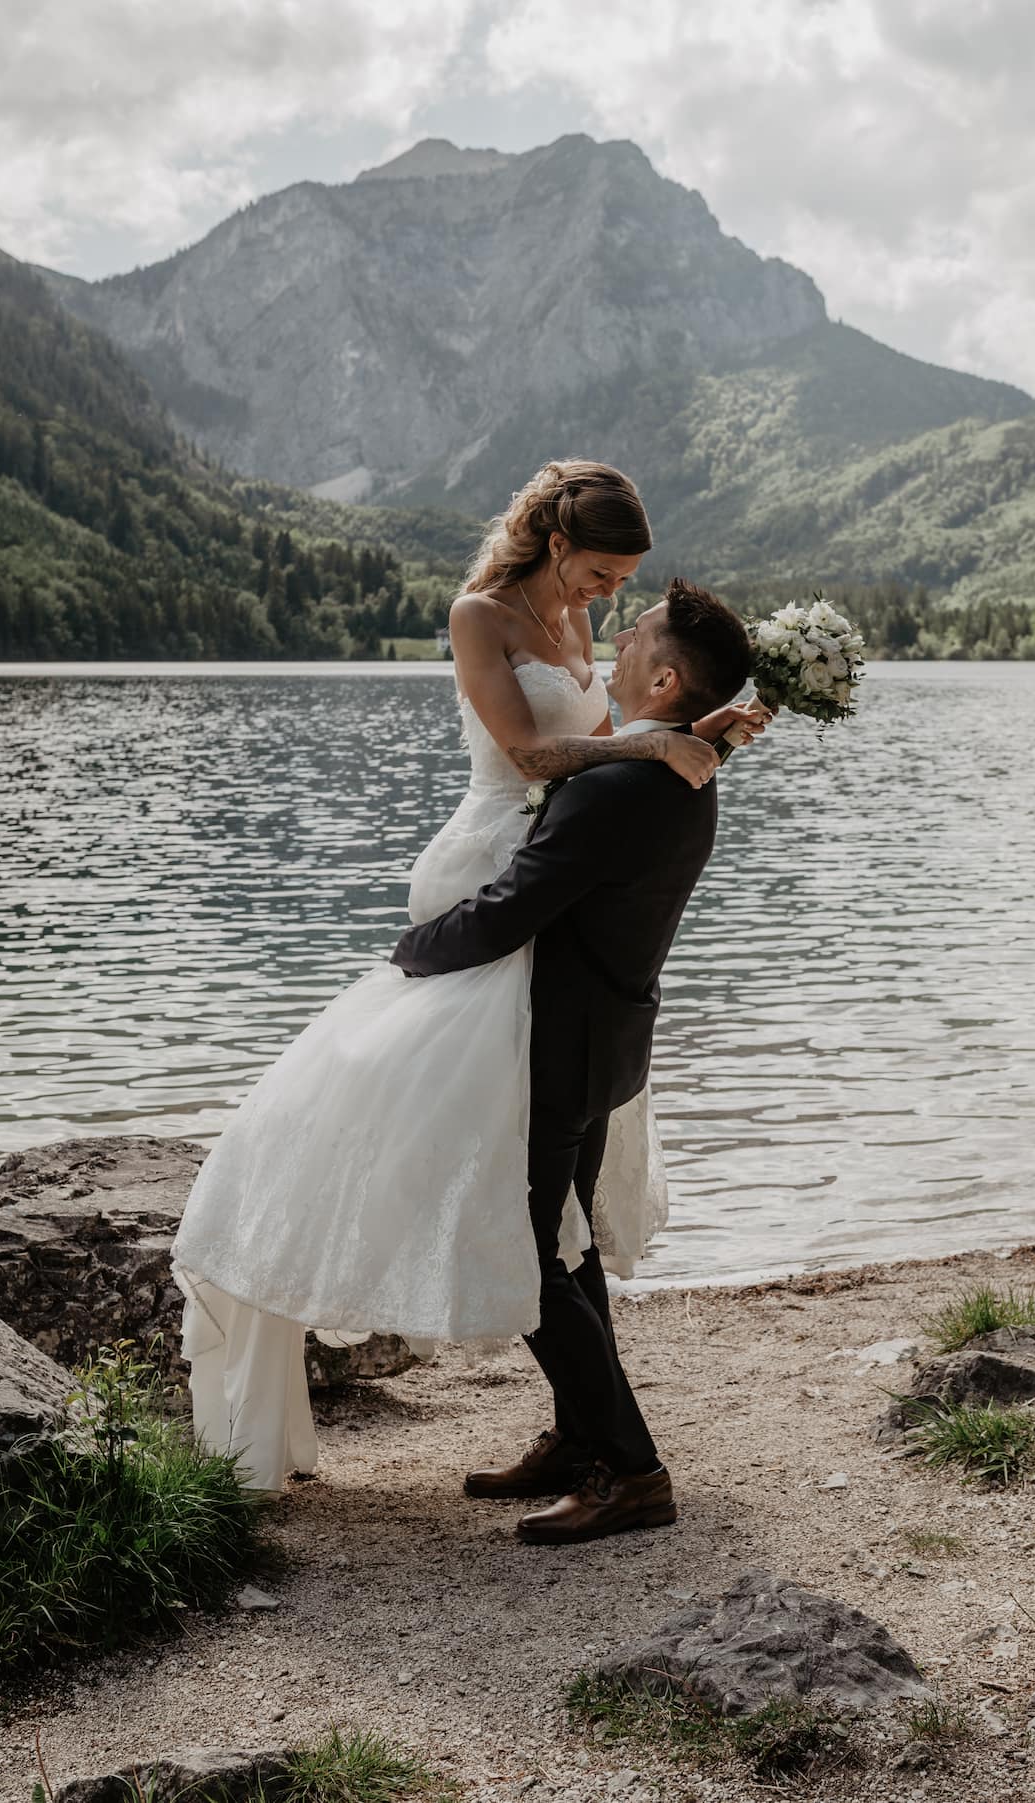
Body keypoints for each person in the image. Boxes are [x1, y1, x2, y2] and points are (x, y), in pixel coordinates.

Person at [172, 460, 764, 1493]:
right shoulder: (478, 615)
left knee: (545, 1211)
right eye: (600, 574)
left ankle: (600, 1445)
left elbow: (613, 737)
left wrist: (685, 732)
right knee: (480, 1174)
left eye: (625, 584)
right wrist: (665, 738)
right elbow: (540, 756)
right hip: (492, 873)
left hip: (553, 898)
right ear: (554, 543)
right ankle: (589, 1436)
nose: (609, 600)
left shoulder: (585, 632)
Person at [393, 579, 755, 1543]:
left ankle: (633, 1472)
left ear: (667, 676)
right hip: (609, 1039)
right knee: (568, 1244)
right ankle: (581, 1438)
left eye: (636, 637)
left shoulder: (614, 786)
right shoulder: (688, 769)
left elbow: (509, 909)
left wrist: (409, 954)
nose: (618, 644)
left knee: (527, 1245)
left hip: (559, 1042)